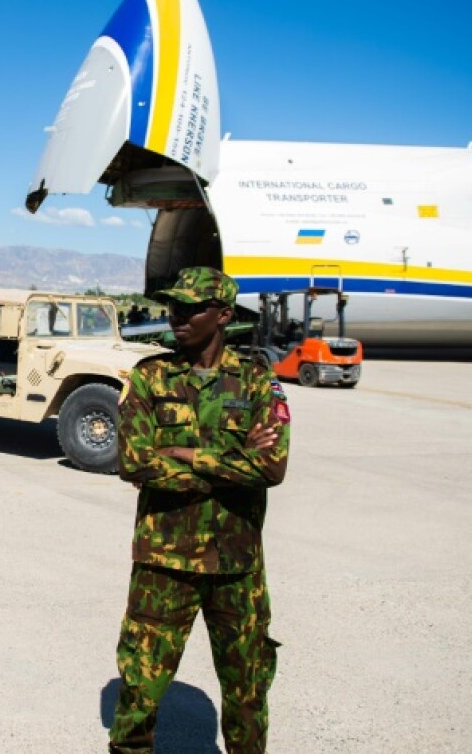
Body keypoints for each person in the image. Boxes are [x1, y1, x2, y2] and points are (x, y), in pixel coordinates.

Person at [109, 267, 291, 754]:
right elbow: (133, 463)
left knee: (249, 688)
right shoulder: (149, 377)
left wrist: (186, 455)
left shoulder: (256, 380)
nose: (178, 316)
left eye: (192, 308)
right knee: (141, 686)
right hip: (164, 561)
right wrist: (234, 464)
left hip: (238, 565)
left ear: (224, 315)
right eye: (175, 306)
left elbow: (272, 467)